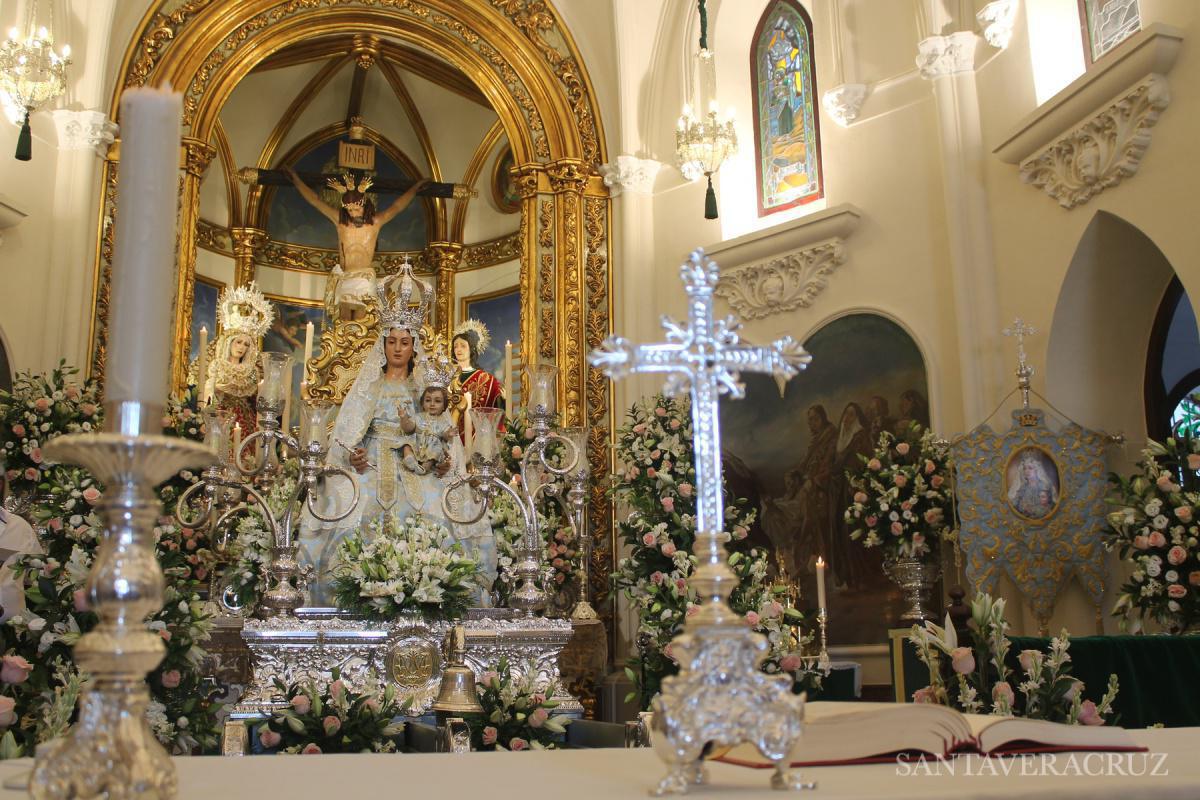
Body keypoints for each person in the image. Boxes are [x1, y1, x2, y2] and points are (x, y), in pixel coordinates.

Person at [302, 266, 495, 606]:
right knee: (349, 507)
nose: (397, 348)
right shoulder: (369, 387)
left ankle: (433, 591)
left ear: (413, 347)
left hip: (418, 464)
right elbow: (349, 433)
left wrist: (445, 462)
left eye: (404, 342)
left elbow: (441, 434)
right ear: (383, 345)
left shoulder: (424, 388)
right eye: (391, 341)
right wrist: (353, 455)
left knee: (440, 513)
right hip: (373, 464)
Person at [284, 166, 429, 319]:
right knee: (344, 322)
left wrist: (415, 188)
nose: (353, 213)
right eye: (350, 210)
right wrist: (296, 180)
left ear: (364, 204)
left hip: (365, 278)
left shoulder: (375, 223)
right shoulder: (340, 222)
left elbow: (397, 207)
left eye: (357, 209)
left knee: (363, 321)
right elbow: (315, 201)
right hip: (346, 276)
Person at [204, 283, 274, 437]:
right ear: (229, 343)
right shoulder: (217, 365)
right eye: (238, 342)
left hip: (244, 420)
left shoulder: (253, 372)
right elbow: (208, 395)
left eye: (246, 344)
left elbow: (258, 400)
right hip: (221, 416)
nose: (242, 347)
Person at [449, 320, 505, 440]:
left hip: (476, 438)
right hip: (448, 434)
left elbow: (496, 407)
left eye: (463, 346)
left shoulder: (486, 379)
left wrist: (503, 399)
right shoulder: (446, 377)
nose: (458, 349)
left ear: (472, 349)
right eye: (455, 346)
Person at [399, 385, 456, 475]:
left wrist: (449, 434)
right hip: (417, 442)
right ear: (422, 403)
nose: (432, 404)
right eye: (428, 400)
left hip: (433, 445)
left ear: (444, 406)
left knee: (435, 453)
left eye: (437, 401)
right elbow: (409, 428)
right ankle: (409, 458)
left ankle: (424, 467)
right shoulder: (418, 416)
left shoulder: (443, 422)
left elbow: (444, 435)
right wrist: (404, 418)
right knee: (407, 445)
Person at [1008, 452, 1058, 519]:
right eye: (1025, 468)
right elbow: (1014, 505)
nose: (1026, 471)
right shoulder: (1022, 488)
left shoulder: (1045, 486)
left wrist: (1033, 510)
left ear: (1037, 470)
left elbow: (1052, 506)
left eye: (1030, 468)